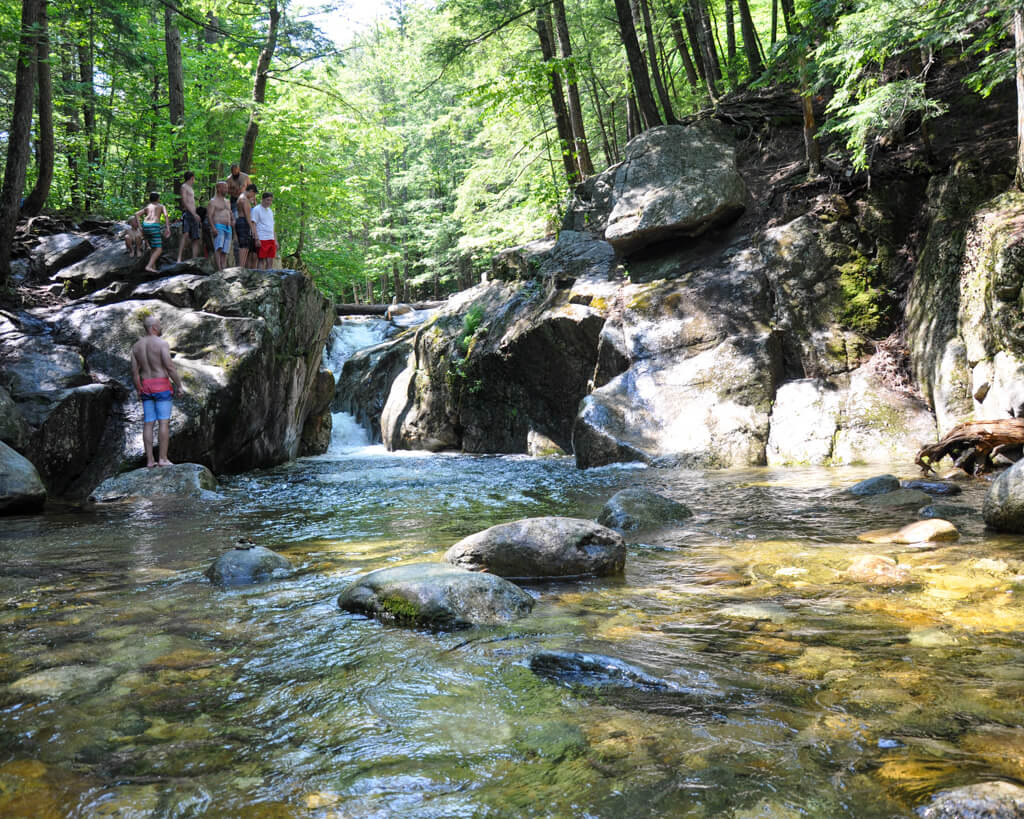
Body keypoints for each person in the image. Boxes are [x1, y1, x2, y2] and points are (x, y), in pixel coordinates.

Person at [131, 314, 182, 468]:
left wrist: (139, 389)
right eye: (159, 325)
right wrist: (179, 385)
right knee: (163, 422)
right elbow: (169, 366)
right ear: (153, 327)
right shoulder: (161, 344)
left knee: (148, 423)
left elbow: (134, 373)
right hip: (161, 385)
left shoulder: (136, 346)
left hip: (146, 385)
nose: (160, 328)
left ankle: (150, 461)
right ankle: (163, 459)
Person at [133, 192, 171, 273]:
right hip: (154, 226)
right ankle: (149, 266)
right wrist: (168, 228)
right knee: (159, 249)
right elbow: (166, 215)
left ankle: (153, 268)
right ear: (158, 199)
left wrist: (140, 227)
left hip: (145, 225)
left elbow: (136, 214)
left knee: (153, 248)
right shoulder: (161, 206)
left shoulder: (148, 206)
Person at [177, 171, 202, 262]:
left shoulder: (191, 188)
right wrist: (193, 213)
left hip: (194, 214)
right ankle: (179, 258)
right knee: (185, 234)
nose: (194, 179)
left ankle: (194, 259)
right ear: (192, 177)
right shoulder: (184, 186)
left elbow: (191, 201)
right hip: (188, 213)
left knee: (195, 237)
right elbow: (184, 201)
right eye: (194, 178)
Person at [208, 181, 233, 270]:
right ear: (218, 189)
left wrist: (232, 220)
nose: (226, 190)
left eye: (227, 187)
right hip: (218, 226)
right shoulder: (213, 201)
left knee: (225, 250)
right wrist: (213, 227)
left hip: (228, 227)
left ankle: (224, 267)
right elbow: (209, 216)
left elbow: (229, 212)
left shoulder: (227, 201)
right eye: (224, 187)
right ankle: (219, 268)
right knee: (219, 247)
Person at [251, 191, 277, 270]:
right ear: (262, 199)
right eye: (268, 200)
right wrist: (256, 239)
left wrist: (275, 240)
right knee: (261, 259)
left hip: (271, 238)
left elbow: (272, 226)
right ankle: (260, 279)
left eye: (271, 200)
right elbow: (253, 224)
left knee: (270, 260)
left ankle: (268, 280)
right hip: (262, 238)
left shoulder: (270, 211)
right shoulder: (256, 209)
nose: (269, 202)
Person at [235, 183, 258, 269]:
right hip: (243, 222)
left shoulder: (241, 197)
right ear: (251, 191)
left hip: (241, 221)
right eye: (254, 194)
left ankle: (242, 266)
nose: (254, 196)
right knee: (244, 247)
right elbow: (248, 216)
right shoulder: (244, 199)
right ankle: (240, 267)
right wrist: (252, 228)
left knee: (246, 247)